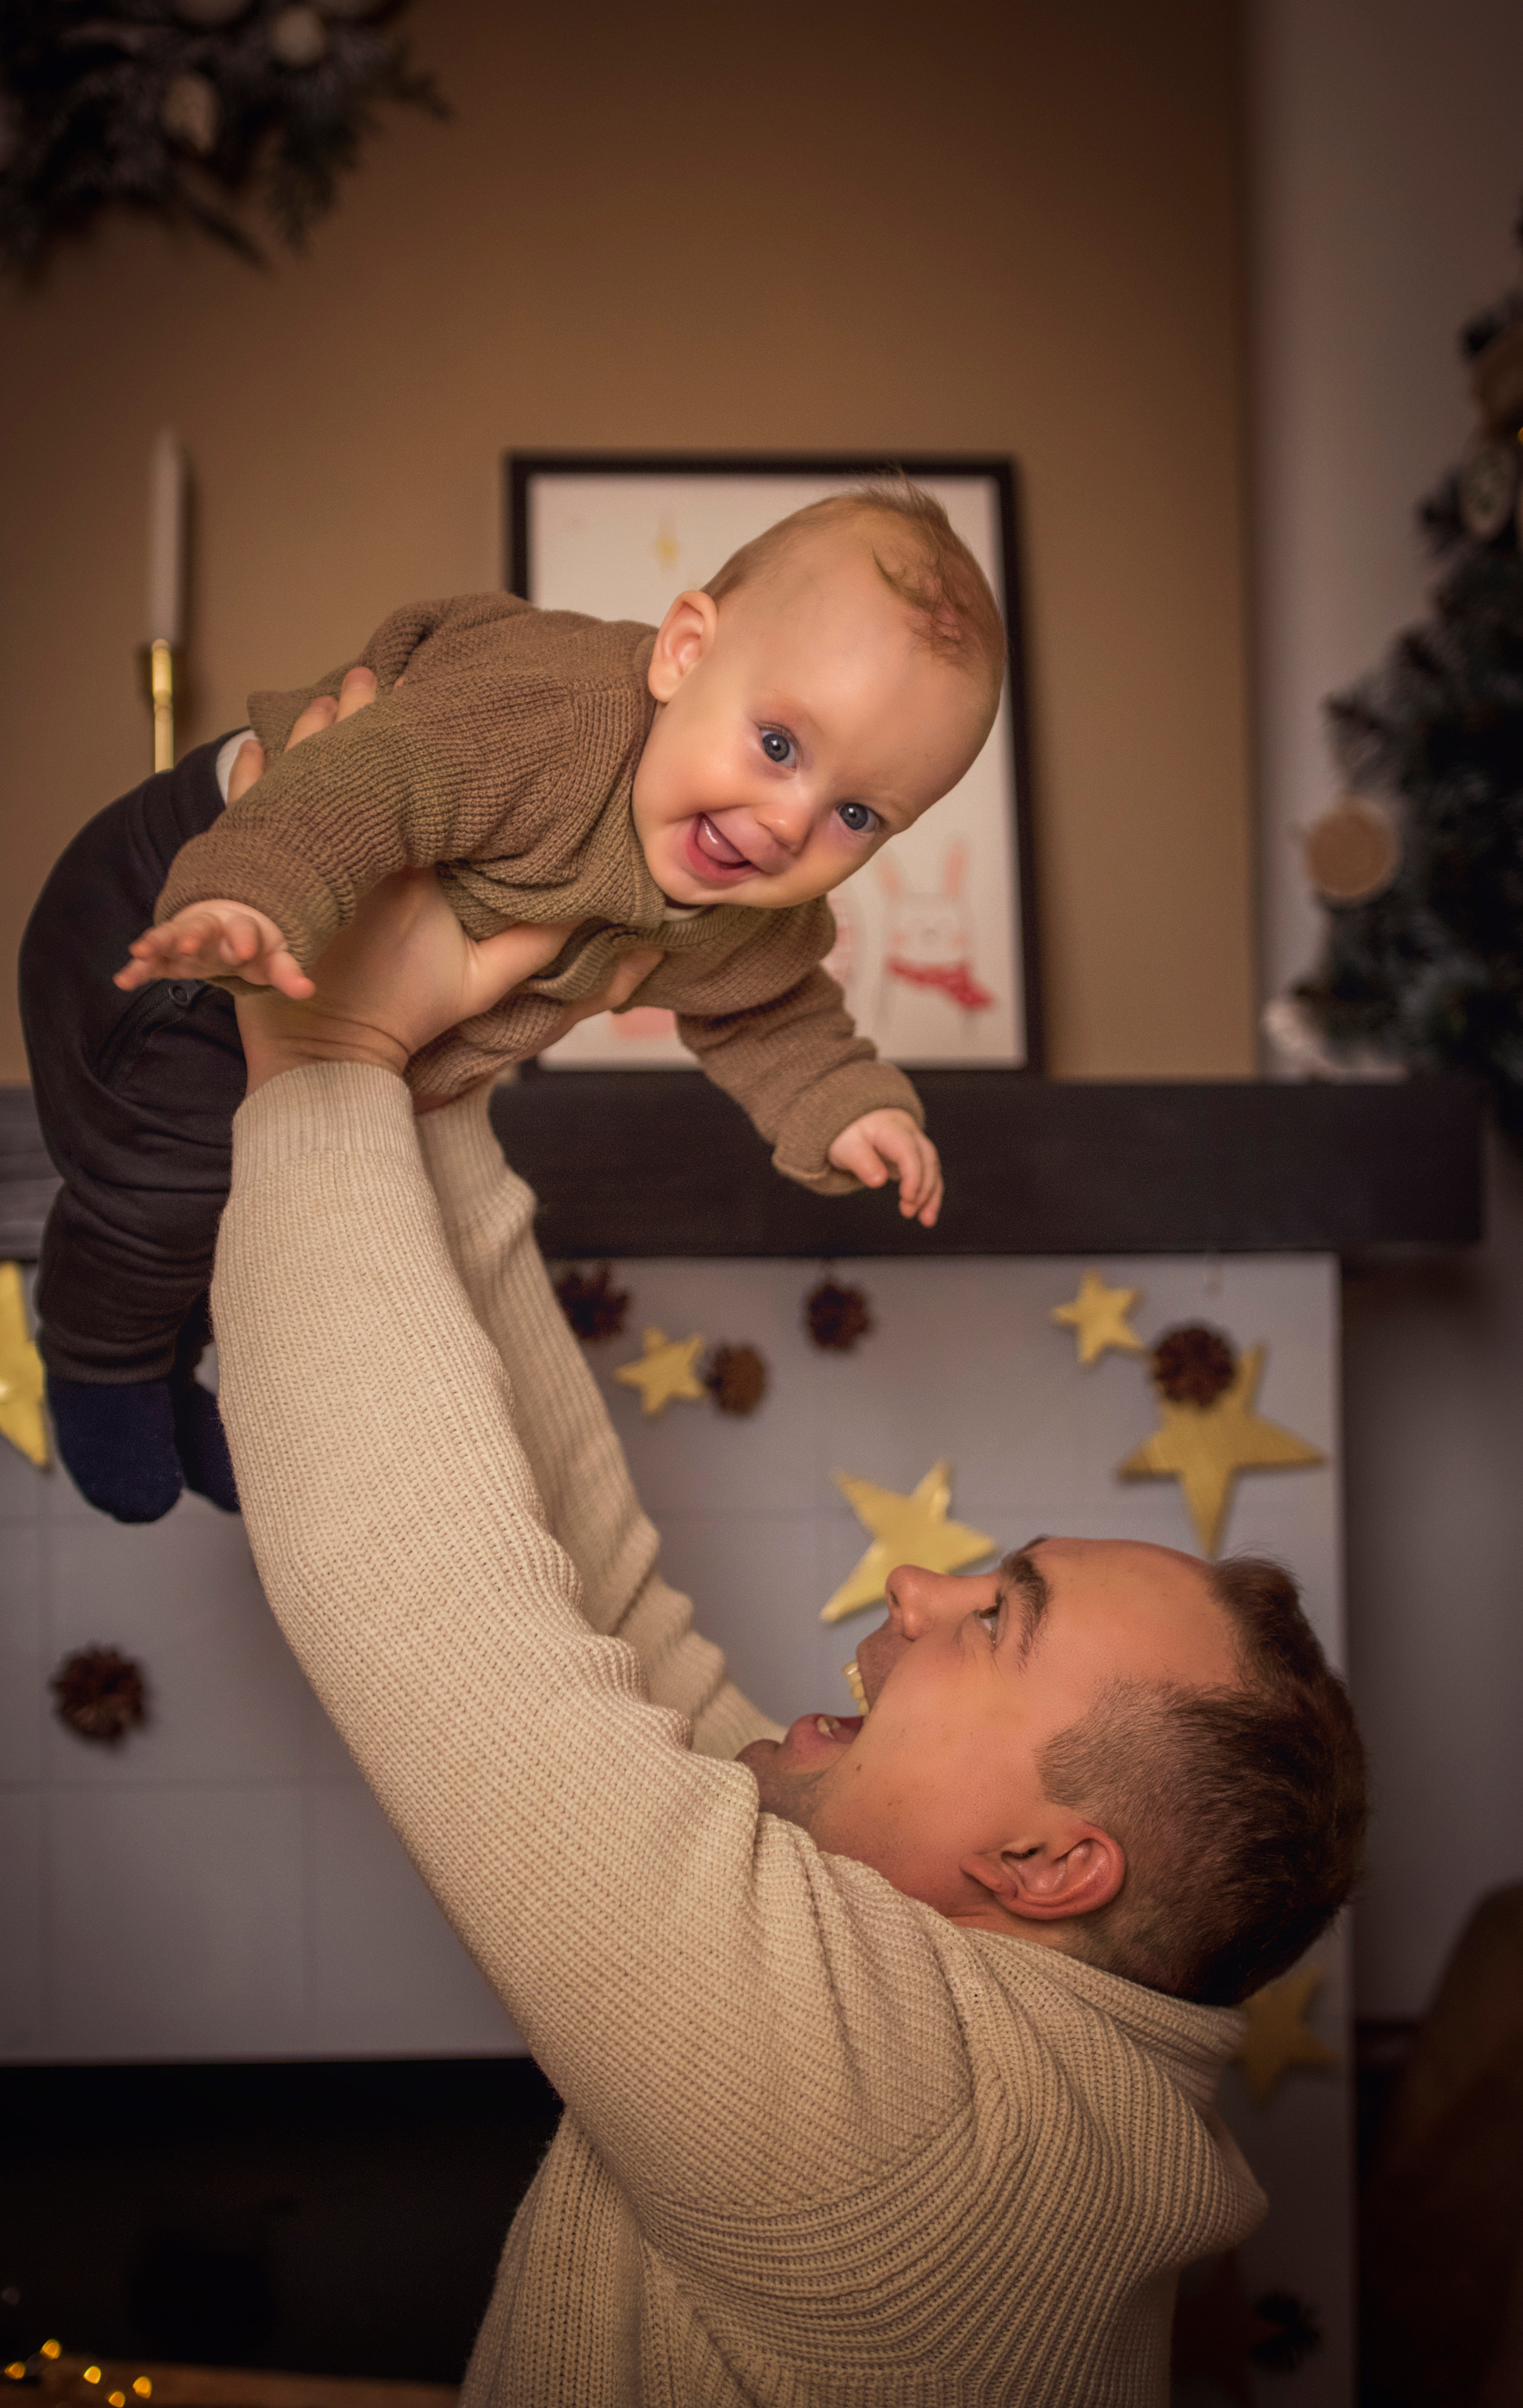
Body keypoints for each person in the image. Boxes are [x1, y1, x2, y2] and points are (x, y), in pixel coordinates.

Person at [210, 789, 1368, 2404]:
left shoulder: (912, 2126)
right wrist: (433, 1082)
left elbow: (424, 1603)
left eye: (993, 1622)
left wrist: (319, 1059)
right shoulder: (976, 2016)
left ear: (1041, 1863)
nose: (916, 1582)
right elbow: (594, 1609)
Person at [21, 482, 1000, 1523]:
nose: (788, 822)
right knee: (167, 1190)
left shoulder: (752, 908)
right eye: (778, 746)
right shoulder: (548, 717)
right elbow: (365, 782)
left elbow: (770, 1009)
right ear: (684, 650)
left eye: (856, 813)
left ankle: (173, 1379)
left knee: (260, 1208)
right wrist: (249, 900)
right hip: (187, 913)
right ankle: (100, 1365)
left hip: (329, 978)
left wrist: (850, 1105)